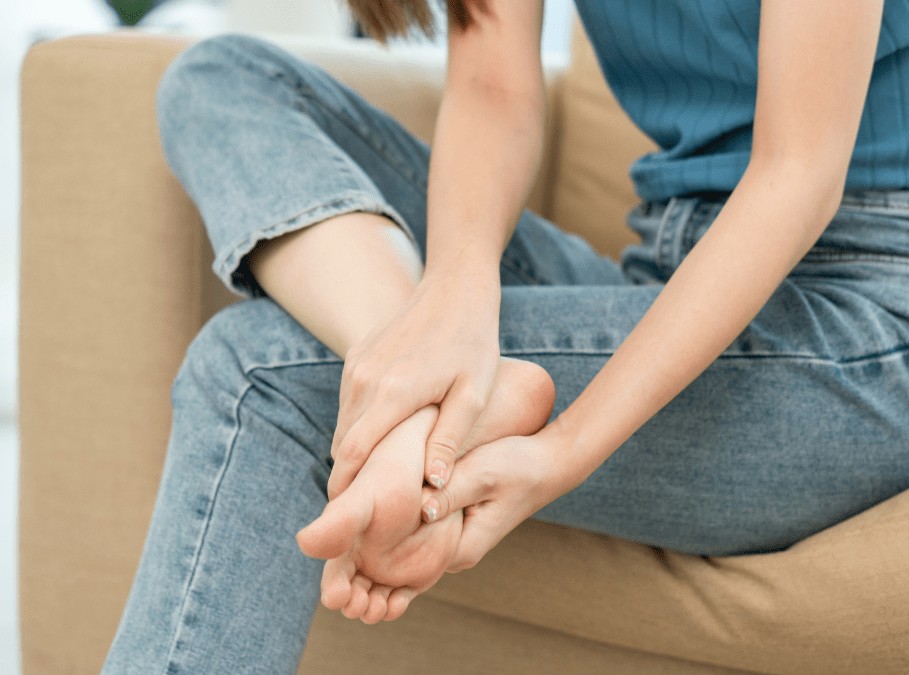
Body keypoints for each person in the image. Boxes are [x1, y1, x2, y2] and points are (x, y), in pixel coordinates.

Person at [100, 0, 909, 672]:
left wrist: (563, 448)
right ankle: (418, 374)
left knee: (257, 368)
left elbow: (795, 174)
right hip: (667, 266)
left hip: (860, 318)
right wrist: (453, 298)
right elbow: (493, 86)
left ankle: (424, 396)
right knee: (224, 78)